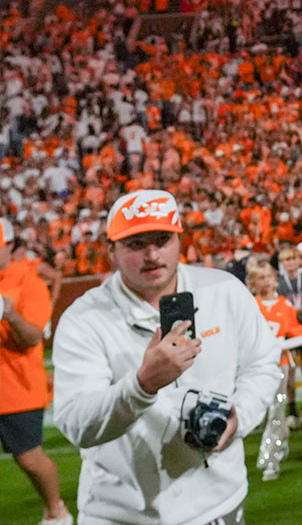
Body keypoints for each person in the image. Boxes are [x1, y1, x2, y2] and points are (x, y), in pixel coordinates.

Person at [52, 190, 281, 525]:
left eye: (162, 240)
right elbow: (76, 423)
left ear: (179, 240)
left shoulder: (224, 291)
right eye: (135, 244)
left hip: (219, 505)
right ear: (110, 250)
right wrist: (142, 385)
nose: (152, 254)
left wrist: (239, 416)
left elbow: (262, 364)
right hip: (122, 516)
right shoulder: (83, 319)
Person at [0, 218, 73, 525]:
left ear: (8, 247)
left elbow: (32, 338)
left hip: (17, 387)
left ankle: (56, 511)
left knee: (29, 458)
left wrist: (9, 313)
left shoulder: (28, 281)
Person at [245, 257, 302, 481]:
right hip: (255, 367)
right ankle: (280, 440)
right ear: (253, 282)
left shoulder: (285, 305)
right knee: (260, 412)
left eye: (270, 276)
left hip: (279, 366)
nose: (267, 281)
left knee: (276, 411)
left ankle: (271, 460)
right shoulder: (250, 306)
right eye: (261, 277)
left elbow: (296, 331)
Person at [276, 246, 302, 423]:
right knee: (290, 372)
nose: (291, 263)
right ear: (282, 263)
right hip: (288, 332)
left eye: (294, 259)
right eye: (287, 259)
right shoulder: (279, 283)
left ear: (300, 261)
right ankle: (292, 410)